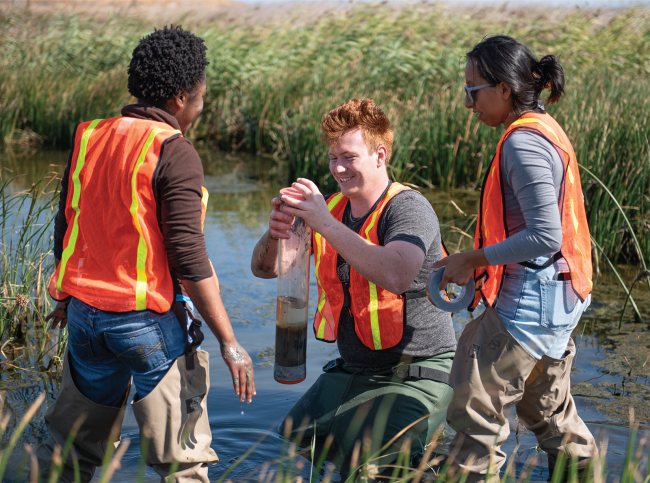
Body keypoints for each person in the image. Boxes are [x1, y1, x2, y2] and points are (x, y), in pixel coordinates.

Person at [35, 26, 256, 483]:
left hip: (84, 319)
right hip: (146, 325)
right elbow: (189, 261)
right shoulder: (173, 150)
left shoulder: (88, 136)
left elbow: (68, 225)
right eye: (200, 97)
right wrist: (231, 344)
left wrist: (63, 297)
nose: (200, 106)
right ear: (180, 97)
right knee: (183, 463)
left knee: (75, 453)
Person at [251, 99, 457, 464]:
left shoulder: (408, 208)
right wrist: (274, 233)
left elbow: (396, 273)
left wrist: (324, 224)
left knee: (373, 469)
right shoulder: (329, 209)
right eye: (333, 158)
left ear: (380, 156)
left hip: (417, 372)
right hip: (355, 370)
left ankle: (433, 456)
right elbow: (266, 270)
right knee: (292, 444)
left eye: (349, 157)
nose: (338, 168)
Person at [432, 36, 598, 481]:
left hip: (532, 303)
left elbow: (545, 235)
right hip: (561, 300)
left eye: (473, 91)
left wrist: (473, 258)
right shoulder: (545, 127)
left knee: (475, 410)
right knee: (549, 414)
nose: (469, 104)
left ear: (504, 88)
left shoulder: (522, 143)